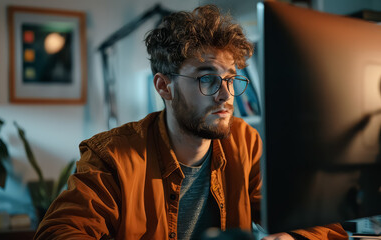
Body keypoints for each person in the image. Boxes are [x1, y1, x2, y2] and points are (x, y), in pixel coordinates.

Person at [34, 5, 348, 240]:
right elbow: (59, 232)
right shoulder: (112, 156)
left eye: (230, 78)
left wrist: (291, 237)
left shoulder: (243, 141)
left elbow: (317, 222)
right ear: (163, 87)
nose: (225, 95)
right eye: (207, 79)